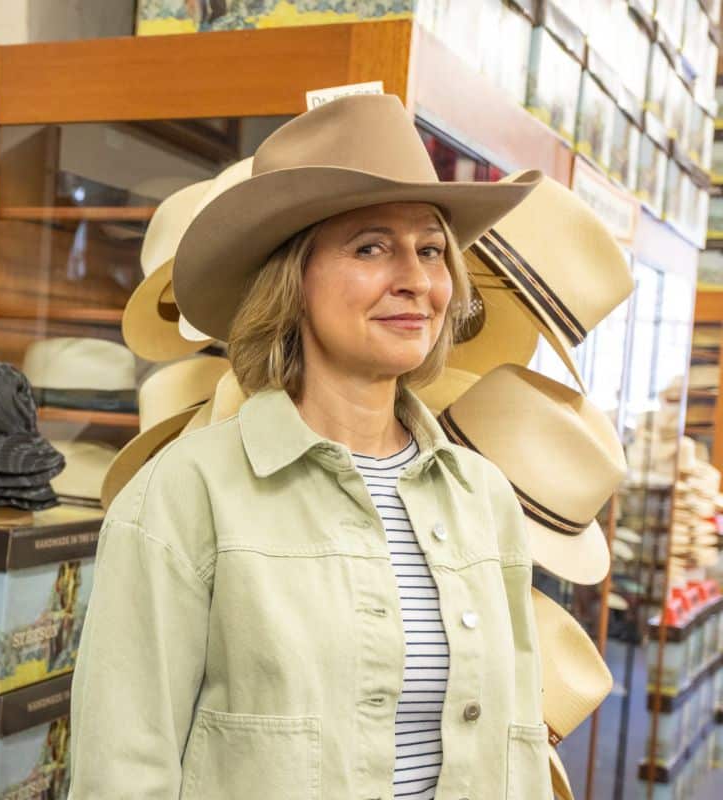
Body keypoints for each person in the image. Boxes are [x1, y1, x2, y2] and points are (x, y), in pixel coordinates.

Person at [68, 94, 551, 799]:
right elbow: (123, 772)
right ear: (292, 279)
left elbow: (516, 747)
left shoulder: (483, 498)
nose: (416, 280)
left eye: (430, 250)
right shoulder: (186, 495)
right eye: (370, 247)